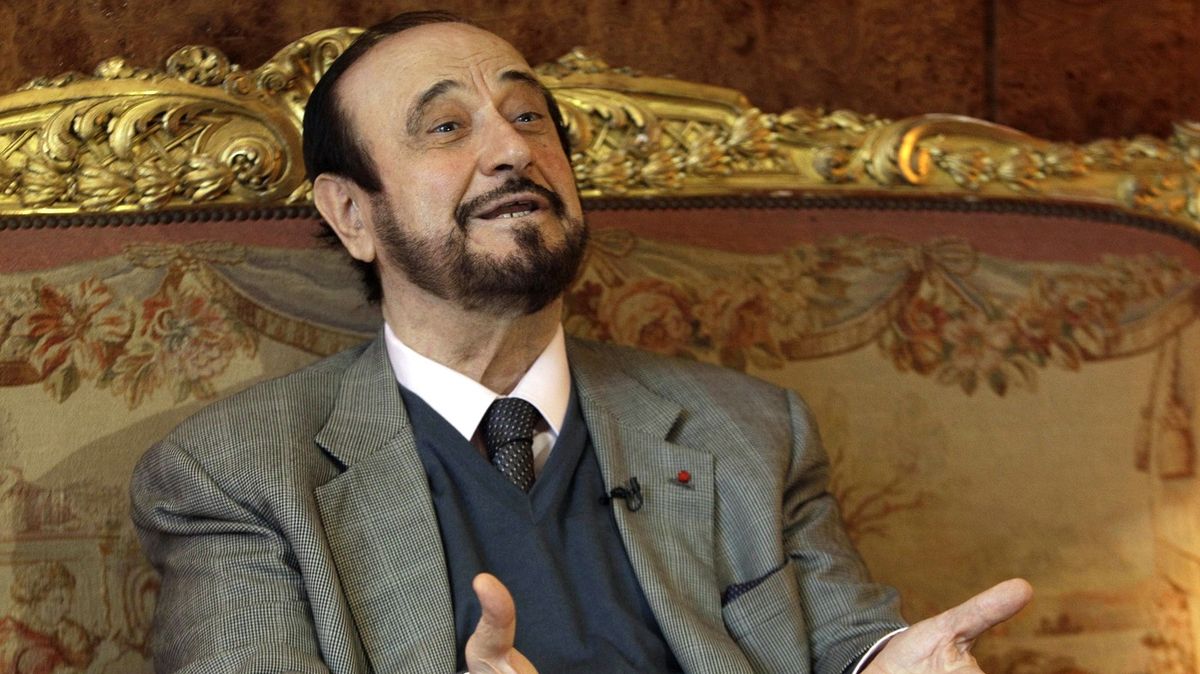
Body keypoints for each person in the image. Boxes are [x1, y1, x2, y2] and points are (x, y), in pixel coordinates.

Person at [131, 10, 1032, 674]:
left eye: (529, 117)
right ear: (350, 214)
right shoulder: (236, 477)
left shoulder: (753, 432)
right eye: (447, 128)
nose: (512, 151)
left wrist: (883, 666)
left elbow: (847, 640)